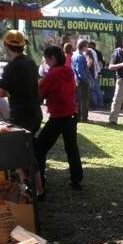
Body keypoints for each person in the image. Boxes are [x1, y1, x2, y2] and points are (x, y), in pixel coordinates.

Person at [33, 45, 83, 196]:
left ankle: (40, 181)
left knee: (39, 149)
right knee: (72, 148)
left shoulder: (53, 75)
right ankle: (76, 179)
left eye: (46, 60)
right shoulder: (68, 71)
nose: (46, 63)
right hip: (71, 114)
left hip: (58, 116)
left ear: (53, 58)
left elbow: (39, 94)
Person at [0, 30, 42, 134]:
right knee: (29, 142)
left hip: (21, 117)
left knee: (20, 144)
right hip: (35, 113)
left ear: (6, 46)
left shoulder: (11, 67)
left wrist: (9, 91)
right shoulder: (30, 62)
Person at [71, 39, 92, 123]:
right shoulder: (80, 56)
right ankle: (84, 118)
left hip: (76, 80)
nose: (87, 48)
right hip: (82, 81)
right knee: (84, 100)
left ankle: (79, 117)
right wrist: (86, 80)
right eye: (87, 46)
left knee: (79, 100)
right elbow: (80, 71)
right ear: (83, 46)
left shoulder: (74, 55)